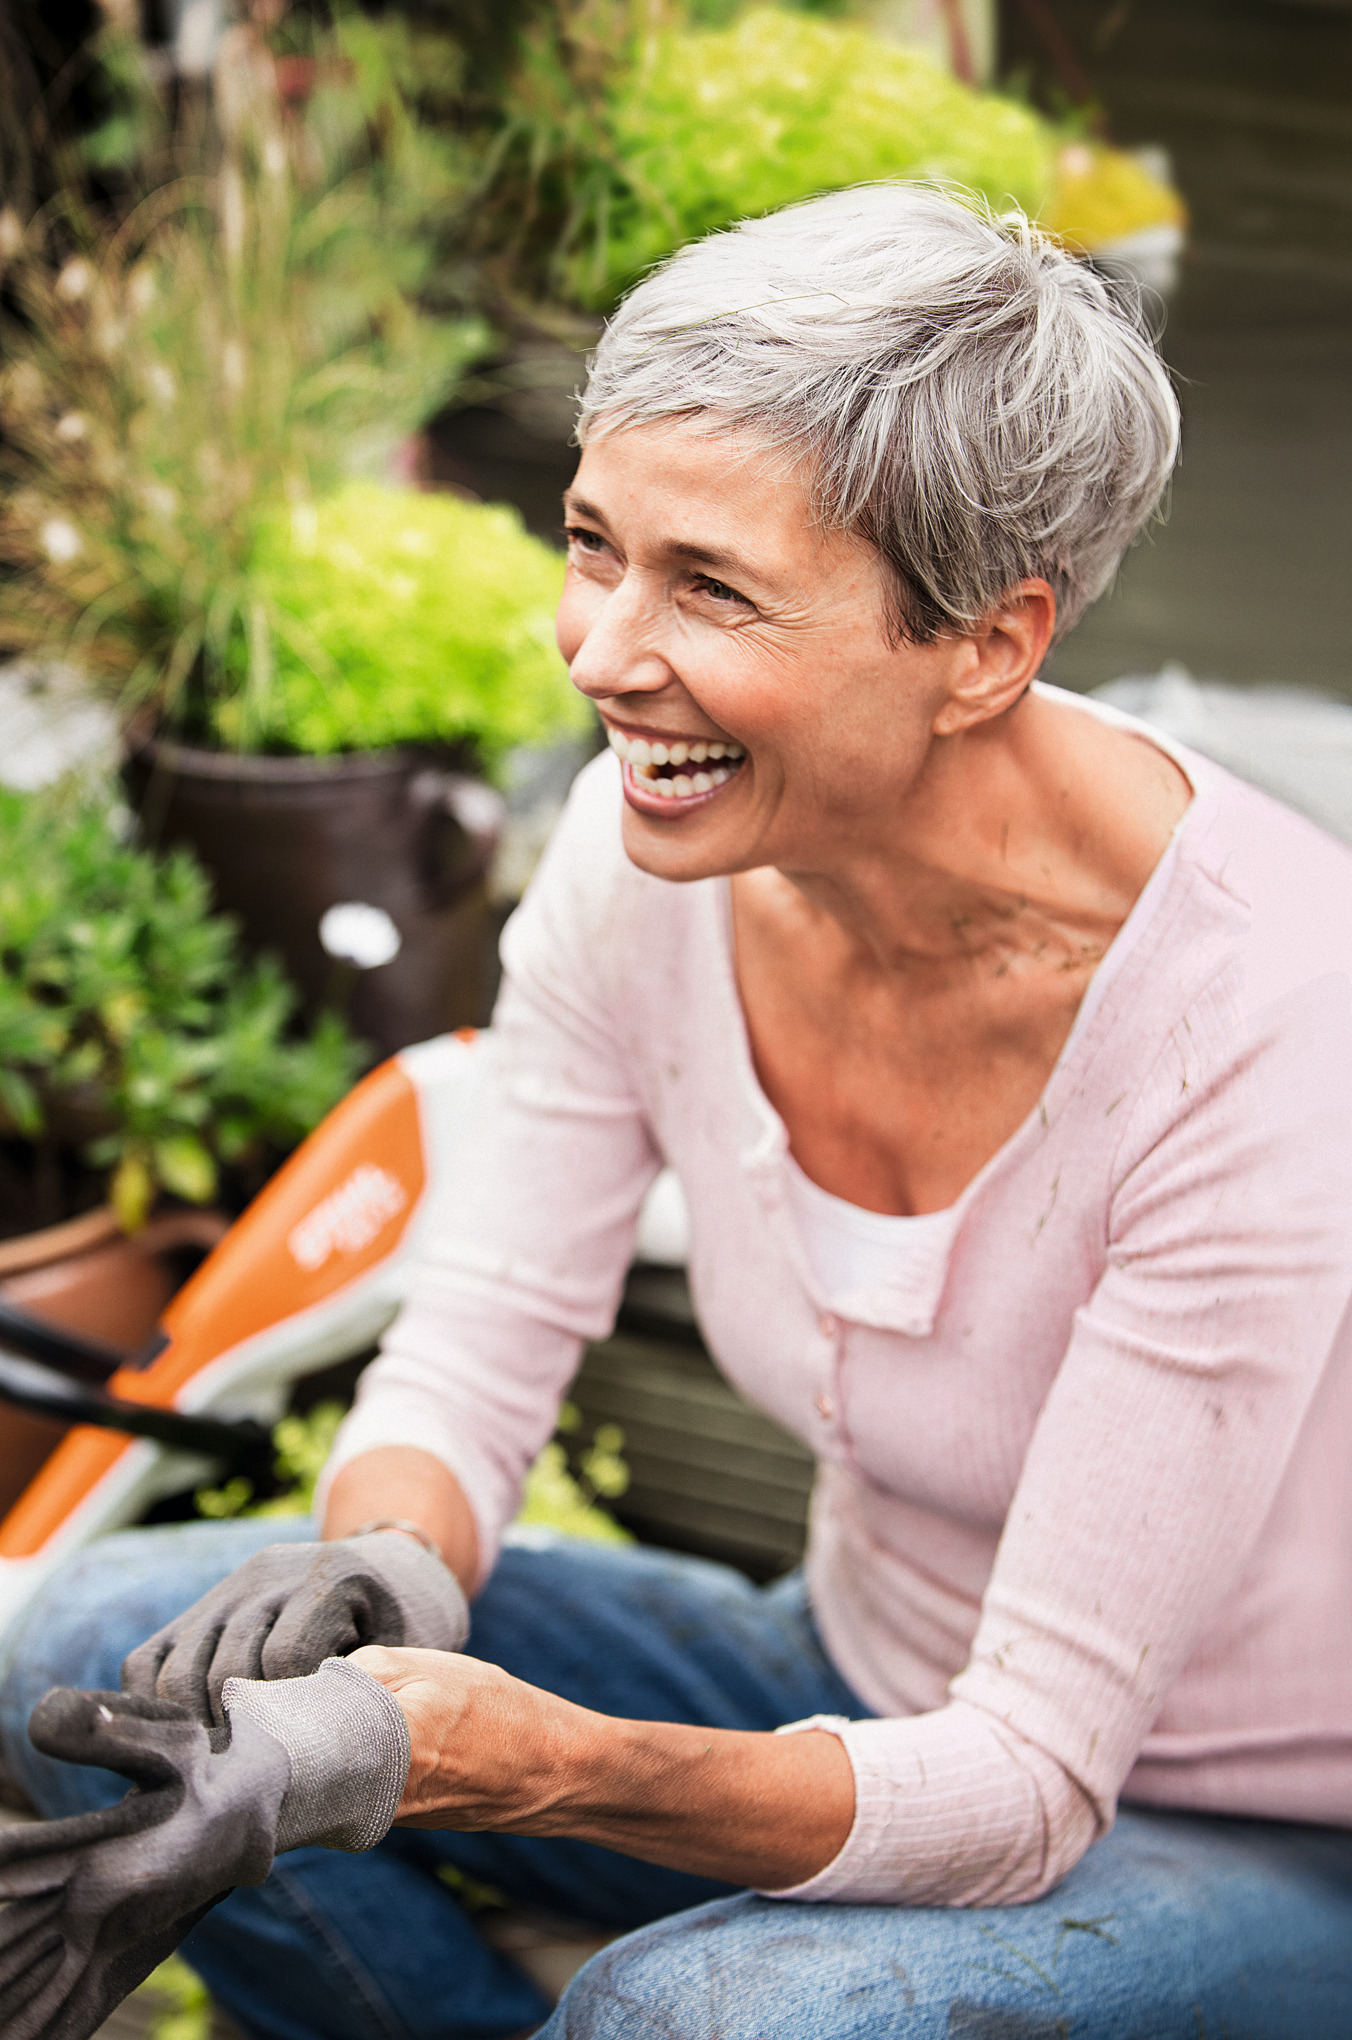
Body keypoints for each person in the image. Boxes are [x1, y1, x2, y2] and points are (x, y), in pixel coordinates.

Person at [4, 183, 1352, 2040]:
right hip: (862, 1673)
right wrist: (385, 1561)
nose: (597, 650)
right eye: (592, 542)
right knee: (92, 1659)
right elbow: (475, 1352)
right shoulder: (651, 857)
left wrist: (491, 1757)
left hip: (1251, 1826)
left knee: (706, 2015)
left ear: (986, 643)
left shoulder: (1264, 1015)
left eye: (709, 584)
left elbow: (1032, 1781)